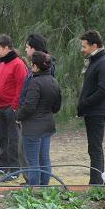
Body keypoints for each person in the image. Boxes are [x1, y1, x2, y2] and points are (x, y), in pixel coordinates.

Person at [16, 51, 62, 185]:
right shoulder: (54, 81)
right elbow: (57, 106)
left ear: (36, 66)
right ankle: (44, 189)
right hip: (47, 125)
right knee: (45, 159)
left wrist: (18, 116)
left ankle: (34, 192)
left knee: (33, 162)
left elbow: (29, 106)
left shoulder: (34, 83)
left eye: (32, 65)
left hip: (32, 129)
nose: (30, 67)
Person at [78, 30, 105, 184]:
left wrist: (85, 103)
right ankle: (96, 181)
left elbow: (104, 91)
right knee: (93, 148)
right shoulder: (95, 60)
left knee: (95, 148)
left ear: (94, 45)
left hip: (97, 112)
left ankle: (96, 184)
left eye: (84, 46)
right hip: (92, 111)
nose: (82, 49)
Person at [0, 34, 27, 179]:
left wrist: (15, 106)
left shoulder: (18, 63)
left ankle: (14, 170)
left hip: (11, 107)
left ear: (6, 48)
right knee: (2, 138)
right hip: (0, 105)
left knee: (13, 139)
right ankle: (3, 166)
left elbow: (21, 86)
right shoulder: (2, 63)